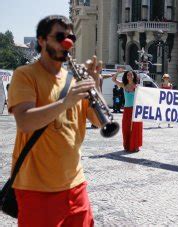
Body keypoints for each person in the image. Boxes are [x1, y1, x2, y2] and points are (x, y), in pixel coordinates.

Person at [7, 15, 103, 226]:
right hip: (37, 189)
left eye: (71, 37)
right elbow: (24, 121)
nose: (66, 42)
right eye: (59, 36)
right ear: (41, 40)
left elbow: (98, 122)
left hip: (76, 185)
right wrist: (66, 102)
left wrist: (95, 85)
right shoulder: (25, 74)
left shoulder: (74, 79)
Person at [112, 71, 142, 152]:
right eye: (127, 74)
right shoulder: (124, 84)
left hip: (135, 110)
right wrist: (119, 72)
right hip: (127, 109)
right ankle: (128, 145)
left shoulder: (137, 86)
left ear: (133, 76)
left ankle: (135, 146)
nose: (129, 76)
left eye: (130, 74)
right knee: (125, 127)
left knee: (136, 128)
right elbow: (114, 79)